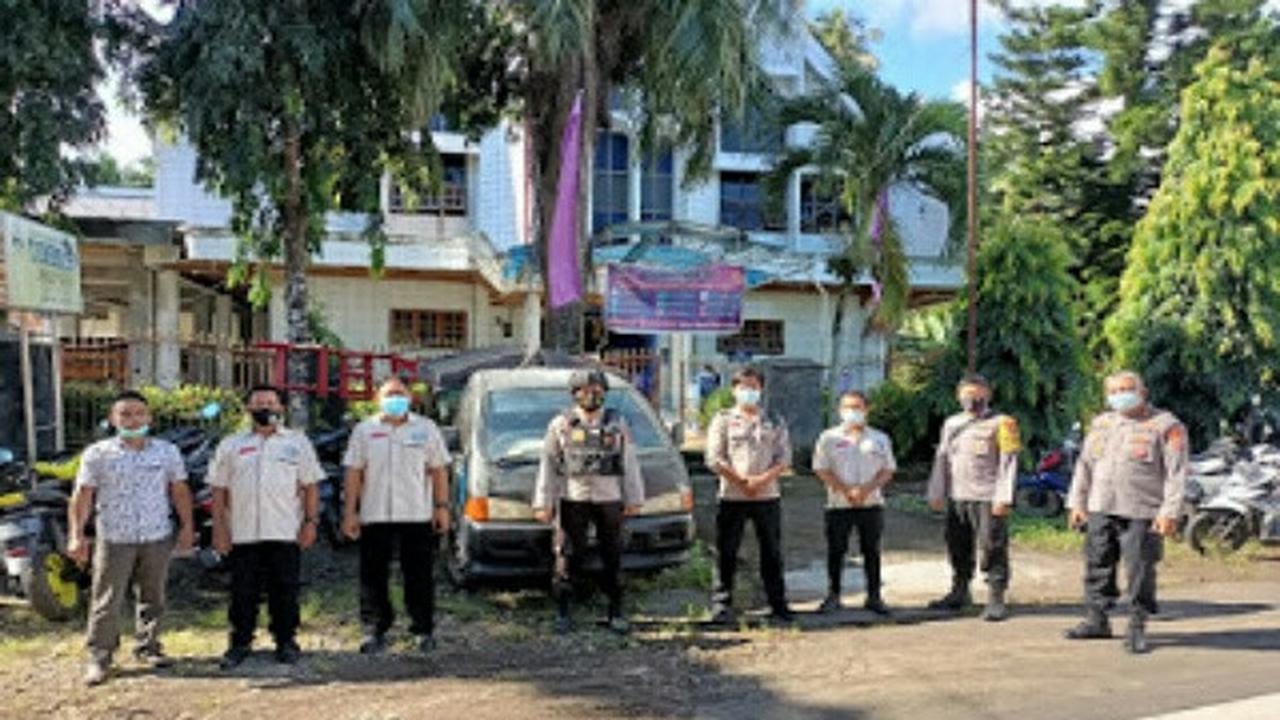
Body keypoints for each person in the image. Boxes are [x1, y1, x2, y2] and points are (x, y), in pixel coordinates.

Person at [68, 390, 194, 686]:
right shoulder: (97, 454)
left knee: (153, 595)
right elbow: (82, 495)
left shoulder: (166, 452)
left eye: (139, 413)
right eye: (125, 414)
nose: (133, 419)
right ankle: (100, 656)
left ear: (149, 417)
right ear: (113, 419)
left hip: (156, 535)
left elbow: (179, 490)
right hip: (114, 537)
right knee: (106, 599)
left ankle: (148, 647)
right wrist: (77, 535)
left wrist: (187, 526)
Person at [1064, 370, 1186, 654]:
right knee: (1097, 564)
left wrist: (1169, 512)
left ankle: (1136, 625)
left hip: (1143, 510)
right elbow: (1084, 466)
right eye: (1114, 391)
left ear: (1143, 392)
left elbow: (1176, 473)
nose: (1120, 396)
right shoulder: (1101, 424)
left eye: (1127, 389)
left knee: (1139, 569)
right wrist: (1077, 503)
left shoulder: (1166, 425)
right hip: (1101, 505)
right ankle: (1097, 620)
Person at [209, 385, 324, 669]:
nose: (265, 408)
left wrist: (310, 522)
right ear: (248, 409)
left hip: (285, 530)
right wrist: (220, 528)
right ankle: (239, 643)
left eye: (271, 403)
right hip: (243, 532)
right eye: (259, 403)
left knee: (285, 590)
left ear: (281, 408)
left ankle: (286, 641)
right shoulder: (231, 445)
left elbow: (310, 486)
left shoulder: (297, 443)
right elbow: (219, 490)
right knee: (242, 592)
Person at [342, 377, 451, 656]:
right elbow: (354, 473)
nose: (395, 398)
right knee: (373, 576)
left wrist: (441, 507)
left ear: (409, 398)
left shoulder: (426, 429)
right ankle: (374, 630)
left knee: (419, 575)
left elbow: (438, 470)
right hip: (375, 513)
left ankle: (423, 629)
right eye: (389, 394)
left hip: (416, 513)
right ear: (378, 399)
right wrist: (350, 512)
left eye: (400, 393)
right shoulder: (364, 431)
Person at [533, 369, 644, 635]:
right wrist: (543, 502)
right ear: (575, 394)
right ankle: (563, 614)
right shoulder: (561, 424)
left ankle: (616, 612)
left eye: (597, 389)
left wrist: (635, 497)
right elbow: (548, 464)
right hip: (573, 497)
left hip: (609, 497)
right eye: (585, 389)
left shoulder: (617, 424)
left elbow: (629, 461)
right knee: (567, 555)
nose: (592, 394)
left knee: (613, 555)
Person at [926, 373, 1021, 621]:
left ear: (988, 394)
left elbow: (1008, 463)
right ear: (958, 397)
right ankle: (959, 591)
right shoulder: (951, 424)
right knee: (957, 544)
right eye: (967, 394)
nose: (973, 398)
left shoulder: (1003, 423)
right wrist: (936, 492)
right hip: (958, 496)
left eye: (978, 393)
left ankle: (996, 597)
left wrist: (1004, 497)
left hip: (988, 497)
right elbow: (942, 459)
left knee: (992, 546)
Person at [704, 366, 793, 624]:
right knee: (726, 552)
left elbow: (784, 457)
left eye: (753, 388)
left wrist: (761, 480)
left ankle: (778, 604)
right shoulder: (722, 420)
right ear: (733, 390)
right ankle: (722, 605)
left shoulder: (774, 420)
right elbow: (714, 457)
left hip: (767, 497)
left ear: (761, 389)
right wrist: (741, 481)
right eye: (743, 388)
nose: (748, 393)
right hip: (732, 496)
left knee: (772, 551)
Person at [812, 390, 896, 616]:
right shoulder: (828, 438)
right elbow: (821, 469)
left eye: (857, 407)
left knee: (872, 551)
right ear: (840, 411)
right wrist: (846, 489)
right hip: (839, 504)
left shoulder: (879, 438)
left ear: (866, 410)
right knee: (836, 551)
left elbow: (888, 469)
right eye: (847, 407)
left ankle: (874, 596)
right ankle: (833, 595)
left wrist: (866, 489)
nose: (852, 412)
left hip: (872, 504)